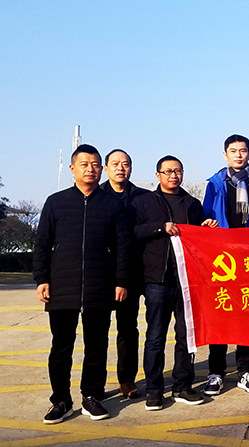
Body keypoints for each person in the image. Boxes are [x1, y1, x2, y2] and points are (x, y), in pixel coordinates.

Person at [33, 144, 131, 424]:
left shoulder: (113, 204)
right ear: (72, 168)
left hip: (100, 286)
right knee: (61, 347)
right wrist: (42, 279)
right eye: (85, 164)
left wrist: (121, 281)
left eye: (95, 165)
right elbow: (42, 243)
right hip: (62, 286)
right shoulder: (56, 202)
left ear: (101, 170)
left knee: (96, 346)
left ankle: (92, 395)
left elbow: (123, 247)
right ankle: (61, 400)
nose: (91, 169)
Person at [132, 155, 218, 411]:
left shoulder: (192, 204)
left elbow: (198, 240)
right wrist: (160, 227)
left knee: (186, 336)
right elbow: (133, 232)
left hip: (188, 281)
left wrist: (205, 227)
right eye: (168, 171)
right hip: (158, 280)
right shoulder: (143, 202)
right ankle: (154, 390)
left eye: (178, 171)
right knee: (155, 336)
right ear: (157, 175)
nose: (173, 175)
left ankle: (183, 385)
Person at [202, 134, 249, 395]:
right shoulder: (214, 185)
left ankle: (245, 371)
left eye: (242, 151)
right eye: (233, 151)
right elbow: (205, 220)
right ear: (225, 155)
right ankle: (215, 373)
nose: (238, 155)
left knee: (247, 316)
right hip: (222, 261)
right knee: (220, 316)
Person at [99, 149, 148, 400]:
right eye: (115, 164)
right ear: (106, 168)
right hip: (103, 273)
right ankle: (95, 384)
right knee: (98, 331)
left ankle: (127, 379)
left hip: (134, 272)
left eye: (125, 164)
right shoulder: (96, 197)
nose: (121, 168)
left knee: (128, 328)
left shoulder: (144, 198)